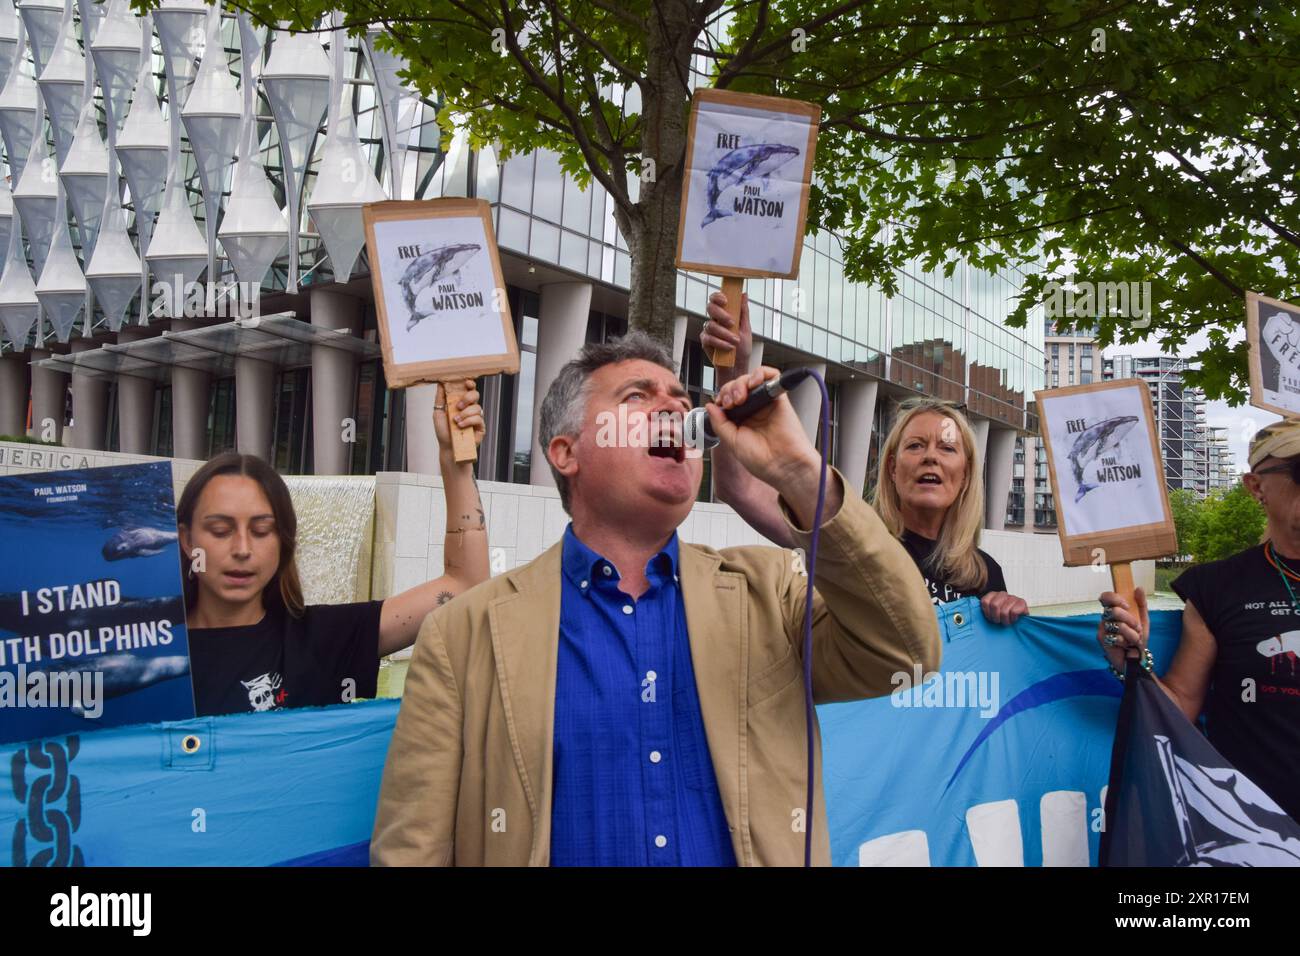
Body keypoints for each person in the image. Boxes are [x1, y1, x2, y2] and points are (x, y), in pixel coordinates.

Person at [370, 332, 940, 866]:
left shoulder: (770, 590)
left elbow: (905, 655)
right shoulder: (463, 633)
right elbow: (411, 848)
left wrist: (798, 473)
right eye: (637, 396)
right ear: (566, 453)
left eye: (679, 397)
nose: (675, 410)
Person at [700, 291, 1028, 625]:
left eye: (946, 448)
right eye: (915, 446)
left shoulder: (985, 574)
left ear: (967, 475)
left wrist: (1010, 616)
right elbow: (737, 486)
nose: (930, 457)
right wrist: (734, 369)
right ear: (892, 468)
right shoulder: (851, 541)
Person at [178, 380, 488, 717]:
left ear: (283, 542)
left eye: (262, 530)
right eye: (221, 530)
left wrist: (454, 460)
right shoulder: (140, 651)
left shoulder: (323, 639)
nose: (242, 548)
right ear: (187, 539)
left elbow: (465, 585)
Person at [1097, 419, 1300, 822]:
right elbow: (1181, 707)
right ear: (1256, 486)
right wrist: (1132, 661)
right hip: (1255, 831)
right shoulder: (1217, 586)